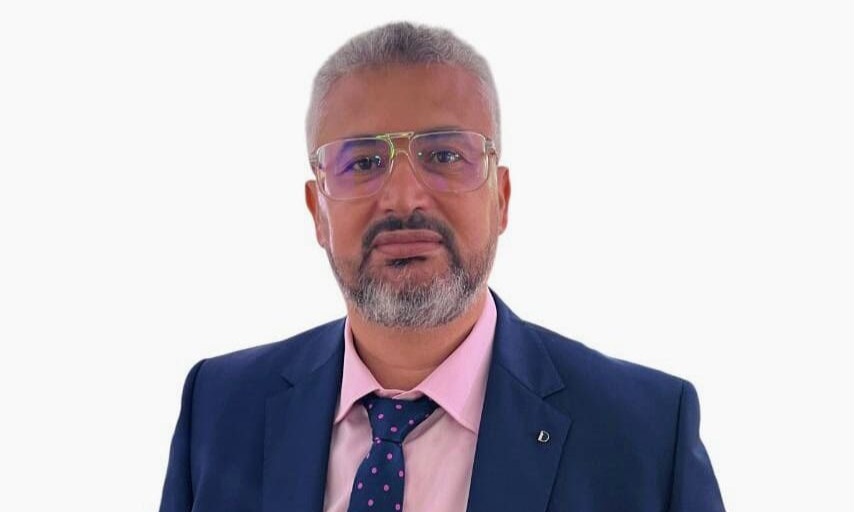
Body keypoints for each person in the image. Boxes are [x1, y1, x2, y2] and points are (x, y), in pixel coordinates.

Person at [158, 21, 725, 512]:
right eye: (363, 162)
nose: (403, 198)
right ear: (317, 211)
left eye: (445, 155)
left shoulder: (647, 435)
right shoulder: (219, 409)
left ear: (501, 197)